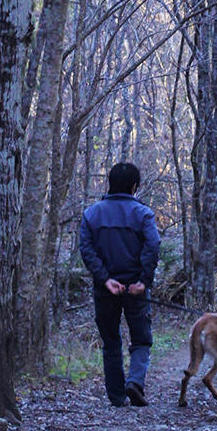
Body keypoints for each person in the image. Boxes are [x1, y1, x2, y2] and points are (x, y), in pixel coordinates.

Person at [79, 163, 160, 407]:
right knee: (141, 339)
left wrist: (105, 279)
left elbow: (87, 250)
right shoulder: (143, 214)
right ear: (135, 186)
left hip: (106, 289)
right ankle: (135, 382)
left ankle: (116, 395)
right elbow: (153, 246)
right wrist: (142, 281)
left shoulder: (92, 214)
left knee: (111, 340)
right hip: (135, 289)